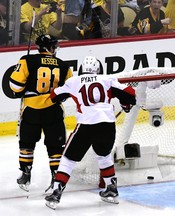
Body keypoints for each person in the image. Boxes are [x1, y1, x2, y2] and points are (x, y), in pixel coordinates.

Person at [44, 56, 136, 210]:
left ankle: (56, 192)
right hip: (107, 124)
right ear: (99, 68)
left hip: (86, 124)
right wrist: (125, 104)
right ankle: (111, 190)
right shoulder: (107, 78)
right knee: (104, 155)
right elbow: (130, 93)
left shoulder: (74, 81)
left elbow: (54, 96)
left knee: (68, 158)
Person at [9, 34, 73, 192]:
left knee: (26, 143)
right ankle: (56, 177)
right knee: (56, 146)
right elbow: (68, 90)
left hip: (31, 111)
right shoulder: (63, 65)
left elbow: (15, 86)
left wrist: (23, 90)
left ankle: (25, 174)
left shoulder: (27, 60)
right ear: (49, 47)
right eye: (54, 46)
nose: (56, 49)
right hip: (53, 111)